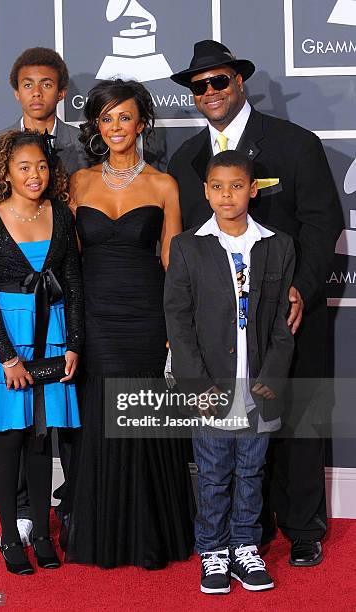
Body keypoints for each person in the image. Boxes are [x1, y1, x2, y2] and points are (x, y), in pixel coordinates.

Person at [168, 39, 343, 566]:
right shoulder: (186, 161)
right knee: (235, 428)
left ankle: (303, 527)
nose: (210, 93)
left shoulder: (294, 143)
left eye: (219, 81)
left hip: (289, 310)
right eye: (200, 87)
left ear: (239, 82)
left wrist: (301, 288)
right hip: (223, 321)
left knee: (297, 417)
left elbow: (322, 221)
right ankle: (247, 534)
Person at [63, 78, 195, 569]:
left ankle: (149, 538)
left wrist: (170, 327)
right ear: (96, 126)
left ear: (142, 122)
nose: (116, 126)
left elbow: (173, 263)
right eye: (106, 118)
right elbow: (69, 261)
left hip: (145, 316)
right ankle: (101, 536)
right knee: (99, 416)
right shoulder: (79, 182)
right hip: (95, 317)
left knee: (141, 416)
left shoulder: (164, 185)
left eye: (124, 116)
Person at [0, 47, 87, 543]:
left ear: (62, 91)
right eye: (28, 84)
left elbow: (73, 256)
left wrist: (75, 333)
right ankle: (13, 523)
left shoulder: (82, 150)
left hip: (58, 312)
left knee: (47, 429)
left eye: (47, 83)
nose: (38, 93)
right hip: (9, 309)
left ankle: (50, 520)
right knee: (13, 428)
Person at [164, 150, 295, 594]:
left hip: (259, 383)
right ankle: (213, 551)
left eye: (236, 186)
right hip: (211, 387)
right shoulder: (187, 246)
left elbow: (281, 323)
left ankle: (245, 546)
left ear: (252, 190)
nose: (226, 195)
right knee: (214, 471)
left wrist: (273, 377)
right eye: (217, 186)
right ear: (205, 191)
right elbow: (178, 322)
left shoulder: (277, 244)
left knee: (252, 470)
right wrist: (198, 385)